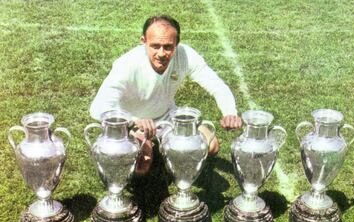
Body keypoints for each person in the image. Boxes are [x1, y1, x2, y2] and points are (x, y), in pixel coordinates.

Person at [90, 15, 242, 174]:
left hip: (167, 116)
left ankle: (175, 166)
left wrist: (230, 113)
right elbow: (98, 108)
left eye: (168, 47)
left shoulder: (186, 55)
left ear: (177, 44)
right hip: (134, 122)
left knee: (211, 146)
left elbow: (217, 85)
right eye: (155, 46)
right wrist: (134, 122)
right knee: (141, 166)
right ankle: (146, 144)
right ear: (143, 41)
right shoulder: (126, 64)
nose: (161, 53)